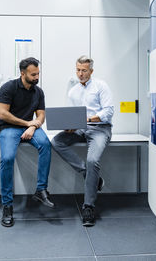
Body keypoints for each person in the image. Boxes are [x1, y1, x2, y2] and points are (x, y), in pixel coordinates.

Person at [51, 55, 114, 227]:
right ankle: (91, 175)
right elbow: (72, 115)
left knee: (93, 159)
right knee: (57, 142)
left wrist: (88, 120)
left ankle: (88, 207)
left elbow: (108, 111)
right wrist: (69, 126)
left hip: (100, 129)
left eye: (84, 70)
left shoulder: (101, 86)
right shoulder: (73, 91)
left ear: (91, 71)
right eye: (78, 70)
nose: (80, 73)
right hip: (80, 128)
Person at [0, 57, 55, 227]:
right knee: (7, 158)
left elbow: (41, 115)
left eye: (38, 73)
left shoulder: (38, 91)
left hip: (29, 127)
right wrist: (27, 123)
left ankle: (40, 189)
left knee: (45, 144)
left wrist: (33, 126)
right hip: (8, 128)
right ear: (23, 73)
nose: (37, 77)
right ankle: (7, 205)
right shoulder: (8, 88)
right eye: (33, 74)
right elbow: (3, 114)